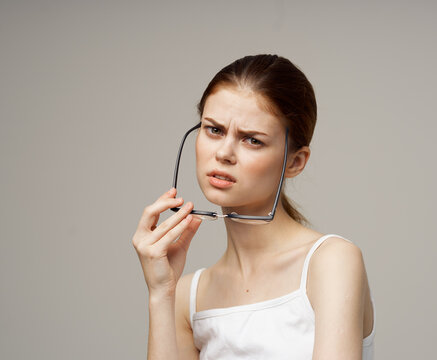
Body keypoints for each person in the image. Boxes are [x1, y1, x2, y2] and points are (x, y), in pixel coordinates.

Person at [132, 54, 376, 359]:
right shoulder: (187, 296)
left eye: (252, 140)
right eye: (214, 130)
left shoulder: (331, 262)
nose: (224, 153)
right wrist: (160, 294)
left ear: (295, 162)